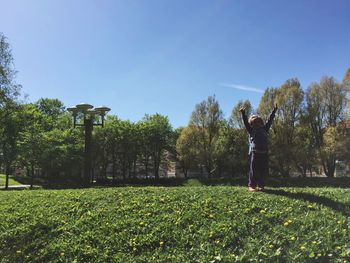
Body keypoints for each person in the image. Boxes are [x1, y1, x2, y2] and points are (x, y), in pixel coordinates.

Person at [239, 104, 277, 192]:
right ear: (251, 124)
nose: (258, 124)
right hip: (255, 153)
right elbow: (245, 122)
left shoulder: (265, 129)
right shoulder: (251, 130)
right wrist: (243, 113)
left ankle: (261, 185)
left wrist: (274, 111)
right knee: (254, 170)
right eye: (255, 122)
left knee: (263, 170)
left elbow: (270, 120)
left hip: (264, 153)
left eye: (259, 122)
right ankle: (252, 185)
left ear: (262, 123)